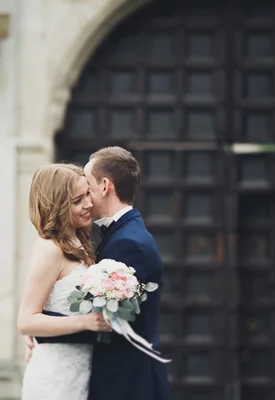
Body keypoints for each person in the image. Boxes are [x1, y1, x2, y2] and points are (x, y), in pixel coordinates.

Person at [28, 147, 172, 400]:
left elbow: (114, 323)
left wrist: (41, 332)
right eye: (77, 198)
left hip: (126, 382)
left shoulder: (129, 243)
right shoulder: (116, 236)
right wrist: (39, 324)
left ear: (104, 186)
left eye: (87, 188)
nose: (85, 197)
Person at [18, 163, 111, 400]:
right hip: (55, 378)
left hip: (79, 370)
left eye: (87, 194)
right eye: (77, 200)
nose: (89, 204)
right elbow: (26, 321)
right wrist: (85, 322)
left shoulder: (78, 241)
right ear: (57, 206)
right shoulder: (50, 250)